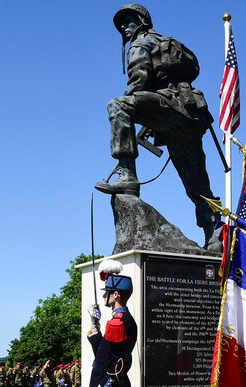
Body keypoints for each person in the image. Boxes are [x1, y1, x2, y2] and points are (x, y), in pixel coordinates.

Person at [94, 3, 219, 247]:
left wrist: (142, 108)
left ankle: (127, 175)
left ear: (141, 21)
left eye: (128, 20)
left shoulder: (140, 43)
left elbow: (138, 83)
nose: (123, 26)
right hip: (189, 114)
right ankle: (213, 235)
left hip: (169, 106)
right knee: (196, 179)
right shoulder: (165, 42)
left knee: (118, 105)